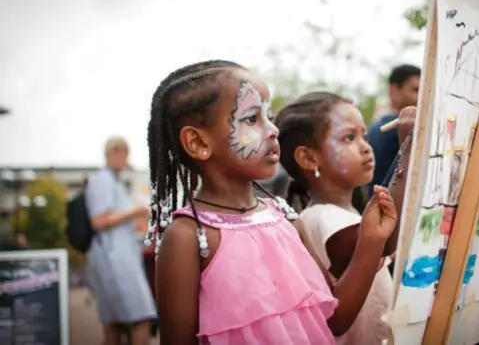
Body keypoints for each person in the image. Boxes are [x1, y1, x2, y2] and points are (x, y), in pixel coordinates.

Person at [147, 60, 398, 345]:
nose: (273, 130)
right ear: (198, 142)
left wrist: (371, 240)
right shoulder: (188, 236)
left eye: (270, 116)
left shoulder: (287, 218)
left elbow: (335, 320)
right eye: (252, 118)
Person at [276, 92, 416, 344]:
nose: (365, 147)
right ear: (308, 158)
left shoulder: (338, 214)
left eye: (365, 136)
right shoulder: (324, 219)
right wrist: (408, 148)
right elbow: (386, 239)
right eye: (348, 138)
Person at [85, 137, 156, 345]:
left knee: (114, 323)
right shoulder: (103, 180)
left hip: (115, 257)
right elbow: (99, 220)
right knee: (142, 317)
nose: (126, 158)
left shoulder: (112, 181)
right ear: (114, 152)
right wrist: (137, 211)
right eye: (124, 153)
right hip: (114, 260)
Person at [367, 65, 420, 195]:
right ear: (394, 91)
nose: (421, 97)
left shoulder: (376, 127)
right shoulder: (397, 130)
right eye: (416, 90)